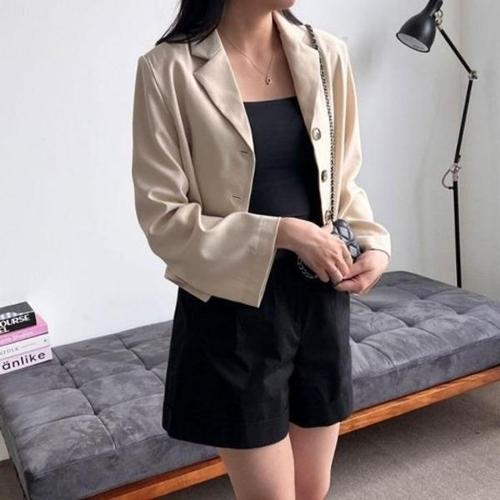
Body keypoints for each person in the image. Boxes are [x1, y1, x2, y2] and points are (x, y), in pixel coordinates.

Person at [131, 1, 391, 498]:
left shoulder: (326, 54)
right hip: (232, 314)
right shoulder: (167, 70)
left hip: (321, 298)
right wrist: (282, 233)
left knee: (312, 490)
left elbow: (344, 180)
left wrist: (373, 244)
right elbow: (163, 219)